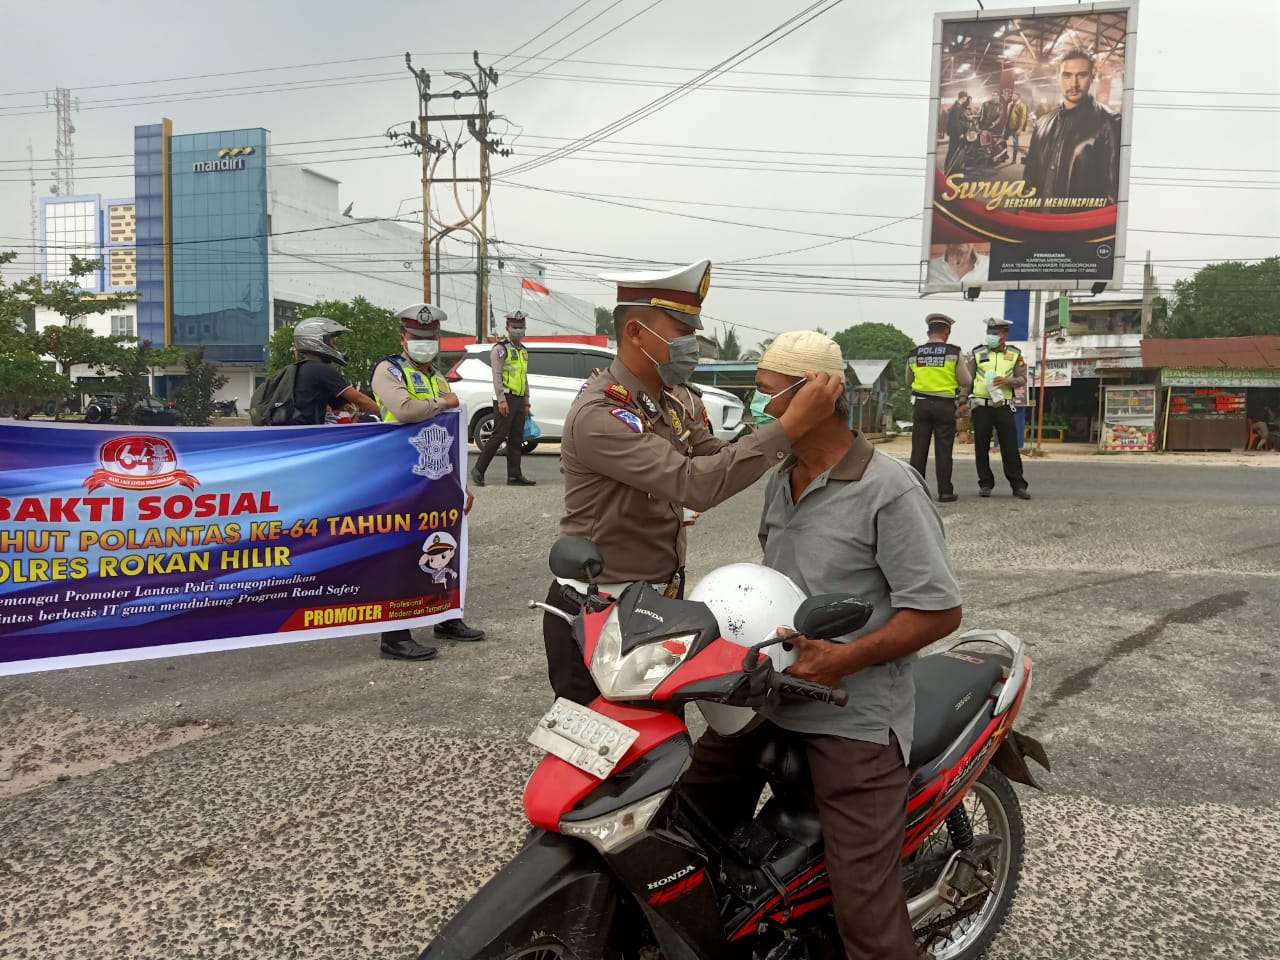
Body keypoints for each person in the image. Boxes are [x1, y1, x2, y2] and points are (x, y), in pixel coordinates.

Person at [679, 330, 963, 960]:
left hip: (852, 712)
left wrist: (845, 656)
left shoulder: (890, 487)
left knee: (865, 907)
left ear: (816, 394)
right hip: (767, 694)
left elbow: (939, 611)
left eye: (766, 395)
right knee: (680, 825)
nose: (758, 410)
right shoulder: (782, 478)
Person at [545, 259, 843, 704]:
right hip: (597, 609)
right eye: (680, 331)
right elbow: (694, 484)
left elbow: (716, 458)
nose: (692, 344)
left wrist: (788, 437)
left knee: (660, 733)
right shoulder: (602, 415)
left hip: (653, 605)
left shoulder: (668, 403)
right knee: (606, 748)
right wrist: (789, 428)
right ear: (636, 334)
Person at [370, 302, 485, 659]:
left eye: (430, 337)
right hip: (400, 477)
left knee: (446, 547)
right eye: (418, 336)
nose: (425, 342)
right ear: (402, 337)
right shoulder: (388, 372)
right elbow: (405, 410)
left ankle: (446, 615)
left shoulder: (436, 376)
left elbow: (448, 437)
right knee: (402, 553)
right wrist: (443, 401)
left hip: (437, 477)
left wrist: (460, 483)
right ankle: (394, 635)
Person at [1023, 48, 1122, 203]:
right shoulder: (1042, 123)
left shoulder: (1110, 122)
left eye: (1081, 75)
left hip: (1080, 224)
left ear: (1092, 77)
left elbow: (1113, 195)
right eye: (1067, 75)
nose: (1074, 83)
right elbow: (1029, 179)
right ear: (1058, 77)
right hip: (1039, 220)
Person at [906, 313, 971, 502]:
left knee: (918, 449)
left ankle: (915, 492)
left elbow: (908, 380)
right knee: (943, 450)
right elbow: (966, 380)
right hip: (944, 405)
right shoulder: (952, 352)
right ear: (946, 331)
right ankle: (945, 492)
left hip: (921, 405)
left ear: (928, 332)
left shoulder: (914, 352)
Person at [964, 317, 1030, 499]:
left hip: (1004, 406)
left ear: (1005, 335)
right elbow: (968, 381)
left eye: (995, 334)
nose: (991, 337)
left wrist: (1008, 381)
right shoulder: (977, 353)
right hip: (981, 406)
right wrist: (962, 401)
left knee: (1010, 447)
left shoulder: (1015, 354)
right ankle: (985, 483)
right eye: (989, 333)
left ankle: (1018, 485)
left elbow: (1023, 379)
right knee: (981, 447)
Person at [471, 310, 535, 487]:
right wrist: (501, 400)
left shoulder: (523, 351)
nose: (518, 330)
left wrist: (527, 400)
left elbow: (524, 377)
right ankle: (478, 470)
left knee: (516, 438)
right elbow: (496, 376)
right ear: (507, 328)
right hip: (505, 397)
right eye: (515, 327)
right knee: (498, 436)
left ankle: (514, 475)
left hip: (519, 398)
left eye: (521, 327)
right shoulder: (500, 349)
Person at [289, 317, 381, 426]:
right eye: (331, 337)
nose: (334, 341)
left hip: (295, 432)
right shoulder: (321, 369)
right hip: (310, 435)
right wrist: (388, 415)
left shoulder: (298, 368)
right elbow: (359, 399)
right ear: (317, 340)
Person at [943, 90, 972, 174]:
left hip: (954, 132)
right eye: (966, 97)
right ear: (964, 97)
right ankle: (947, 167)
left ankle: (953, 168)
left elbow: (959, 119)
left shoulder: (957, 105)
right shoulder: (957, 107)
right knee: (952, 150)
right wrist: (960, 133)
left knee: (955, 150)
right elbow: (956, 121)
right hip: (955, 133)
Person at [1004, 89, 1028, 163]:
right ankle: (1004, 156)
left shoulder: (1022, 105)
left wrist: (1020, 128)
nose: (1012, 97)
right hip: (1007, 126)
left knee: (1015, 143)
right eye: (1012, 96)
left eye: (1014, 96)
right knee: (1003, 140)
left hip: (1015, 127)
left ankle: (1014, 158)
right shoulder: (1009, 104)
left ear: (1018, 97)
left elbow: (1023, 117)